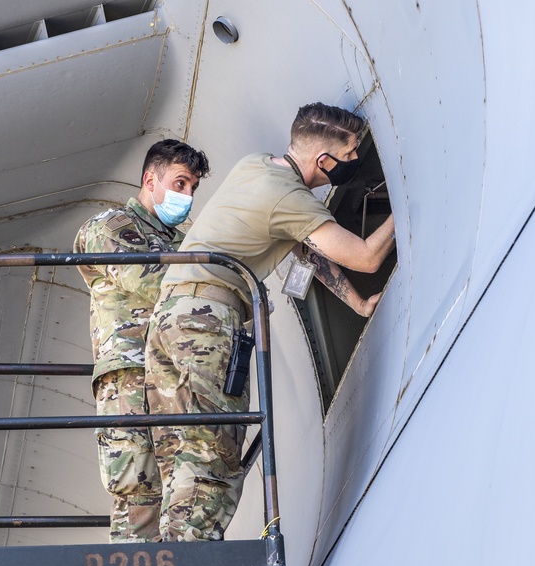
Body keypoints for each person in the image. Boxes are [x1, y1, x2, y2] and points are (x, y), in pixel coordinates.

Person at [145, 102, 396, 542]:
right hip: (207, 320)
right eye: (351, 153)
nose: (354, 162)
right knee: (213, 461)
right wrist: (411, 206)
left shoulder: (256, 166)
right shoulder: (290, 199)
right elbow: (366, 256)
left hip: (168, 317)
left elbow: (304, 249)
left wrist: (355, 303)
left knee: (180, 457)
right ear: (325, 162)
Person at [74, 139, 210, 542]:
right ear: (150, 180)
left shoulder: (183, 243)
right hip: (131, 375)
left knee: (185, 482)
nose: (186, 196)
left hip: (178, 375)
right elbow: (152, 284)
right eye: (180, 183)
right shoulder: (110, 227)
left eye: (192, 189)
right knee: (137, 486)